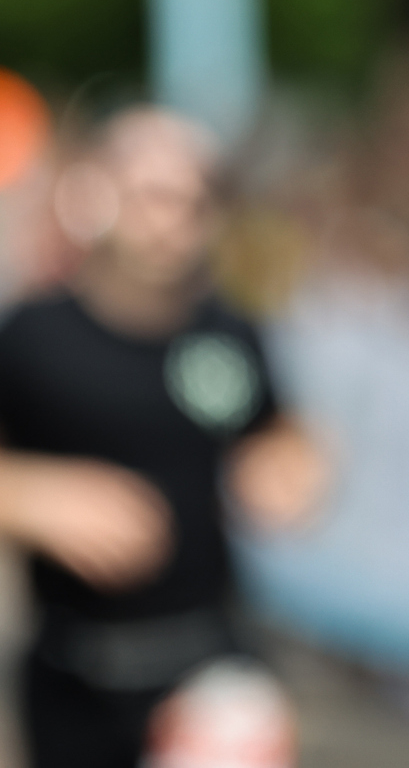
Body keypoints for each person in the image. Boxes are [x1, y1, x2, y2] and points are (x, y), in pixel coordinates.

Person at [0, 109, 327, 768]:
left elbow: (282, 431)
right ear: (98, 194)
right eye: (151, 193)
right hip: (73, 679)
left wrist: (294, 464)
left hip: (211, 673)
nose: (171, 218)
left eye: (194, 199)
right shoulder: (32, 337)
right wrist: (29, 496)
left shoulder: (231, 333)